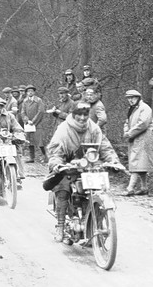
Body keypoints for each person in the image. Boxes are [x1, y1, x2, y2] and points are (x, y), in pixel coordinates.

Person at [45, 101, 125, 244]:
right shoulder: (63, 129)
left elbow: (105, 147)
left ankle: (95, 224)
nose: (82, 118)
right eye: (79, 115)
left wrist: (114, 161)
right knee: (63, 190)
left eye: (85, 114)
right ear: (73, 114)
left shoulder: (94, 128)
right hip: (69, 167)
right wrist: (57, 163)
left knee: (100, 191)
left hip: (90, 168)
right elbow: (55, 150)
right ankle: (61, 225)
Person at [121, 89, 153, 195]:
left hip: (144, 140)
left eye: (133, 98)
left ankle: (130, 188)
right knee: (141, 165)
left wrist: (129, 133)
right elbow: (127, 121)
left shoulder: (145, 108)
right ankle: (144, 187)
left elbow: (143, 124)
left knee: (137, 163)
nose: (131, 100)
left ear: (138, 98)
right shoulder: (132, 109)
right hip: (135, 139)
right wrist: (126, 131)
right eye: (129, 98)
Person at [20, 85, 47, 163]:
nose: (30, 93)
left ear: (34, 92)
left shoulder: (38, 100)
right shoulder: (25, 101)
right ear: (27, 93)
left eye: (31, 91)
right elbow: (22, 112)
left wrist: (34, 121)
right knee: (29, 141)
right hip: (28, 124)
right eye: (28, 91)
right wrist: (27, 120)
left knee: (40, 141)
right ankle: (32, 157)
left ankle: (45, 157)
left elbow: (41, 111)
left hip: (37, 123)